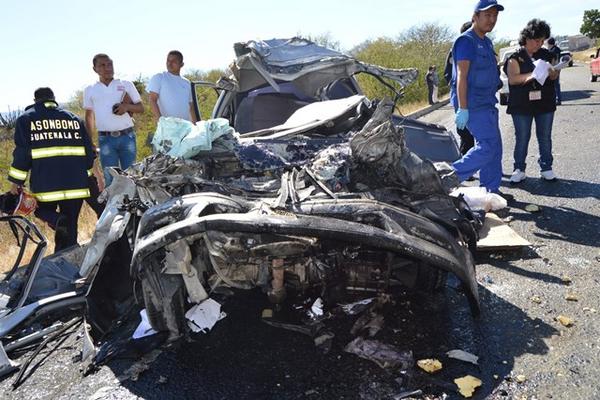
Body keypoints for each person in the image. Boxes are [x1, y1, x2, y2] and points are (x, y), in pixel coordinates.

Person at [7, 88, 96, 251]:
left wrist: (16, 182)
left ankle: (56, 220)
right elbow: (89, 153)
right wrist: (87, 176)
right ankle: (67, 262)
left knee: (41, 210)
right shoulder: (75, 119)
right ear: (53, 99)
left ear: (35, 100)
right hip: (76, 186)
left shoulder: (26, 119)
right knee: (70, 226)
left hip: (46, 186)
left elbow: (22, 154)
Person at [451, 0, 506, 196]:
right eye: (487, 15)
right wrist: (463, 108)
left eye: (495, 16)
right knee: (488, 146)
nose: (492, 20)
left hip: (488, 103)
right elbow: (461, 76)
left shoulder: (486, 41)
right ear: (475, 17)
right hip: (473, 105)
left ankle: (490, 191)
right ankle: (448, 178)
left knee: (495, 149)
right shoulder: (466, 41)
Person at [505, 19, 559, 183]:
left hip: (545, 102)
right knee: (522, 136)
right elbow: (513, 79)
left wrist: (552, 72)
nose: (539, 44)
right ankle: (519, 168)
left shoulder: (547, 55)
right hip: (521, 105)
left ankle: (546, 167)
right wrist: (532, 75)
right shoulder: (515, 57)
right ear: (527, 38)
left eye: (542, 41)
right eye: (537, 40)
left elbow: (555, 75)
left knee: (545, 136)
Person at [83, 54, 144, 187]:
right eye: (102, 65)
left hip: (127, 136)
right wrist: (89, 140)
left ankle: (133, 207)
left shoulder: (126, 84)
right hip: (106, 139)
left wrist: (126, 106)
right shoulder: (90, 89)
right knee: (110, 179)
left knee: (131, 177)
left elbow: (141, 108)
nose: (107, 68)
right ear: (95, 69)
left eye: (109, 64)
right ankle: (114, 207)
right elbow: (89, 116)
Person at [445, 21, 475, 155]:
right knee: (466, 133)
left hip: (477, 97)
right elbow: (448, 74)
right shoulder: (457, 49)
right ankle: (464, 168)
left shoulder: (482, 45)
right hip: (461, 95)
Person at [147, 50, 197, 123]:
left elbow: (191, 106)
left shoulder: (187, 83)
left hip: (186, 127)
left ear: (181, 64)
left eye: (174, 61)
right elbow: (152, 100)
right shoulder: (159, 77)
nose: (170, 64)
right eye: (168, 60)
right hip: (168, 127)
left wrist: (195, 126)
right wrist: (161, 121)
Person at [546, 37, 562, 105]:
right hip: (558, 67)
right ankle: (558, 99)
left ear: (549, 43)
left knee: (554, 85)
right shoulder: (557, 49)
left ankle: (557, 99)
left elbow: (553, 61)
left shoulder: (552, 51)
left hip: (554, 68)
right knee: (556, 84)